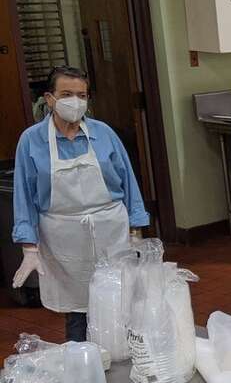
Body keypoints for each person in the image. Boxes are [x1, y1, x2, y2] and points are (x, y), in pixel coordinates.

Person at [11, 65, 150, 341]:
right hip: (64, 239)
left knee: (123, 305)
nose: (75, 102)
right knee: (79, 312)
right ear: (49, 99)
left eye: (81, 95)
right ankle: (84, 369)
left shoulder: (104, 133)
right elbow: (23, 195)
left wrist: (136, 231)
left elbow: (128, 181)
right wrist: (29, 248)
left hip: (111, 230)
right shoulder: (31, 141)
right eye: (66, 94)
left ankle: (128, 366)